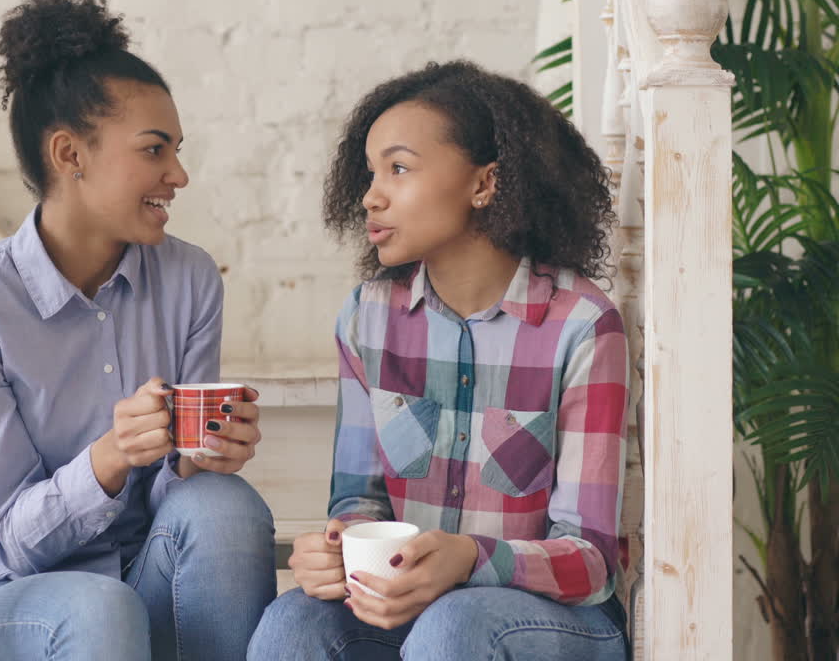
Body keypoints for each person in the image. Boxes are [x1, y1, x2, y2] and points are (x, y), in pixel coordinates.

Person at [0, 0, 275, 661]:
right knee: (100, 608)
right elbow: (7, 538)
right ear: (70, 155)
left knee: (226, 507)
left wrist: (201, 458)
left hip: (139, 574)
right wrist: (111, 456)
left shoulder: (190, 279)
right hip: (7, 597)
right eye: (154, 151)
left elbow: (183, 502)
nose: (178, 174)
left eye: (176, 151)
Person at [248, 60, 630, 660]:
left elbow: (592, 561)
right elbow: (359, 503)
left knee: (454, 625)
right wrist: (336, 547)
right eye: (371, 171)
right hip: (414, 613)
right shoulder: (368, 318)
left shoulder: (582, 327)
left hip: (552, 623)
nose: (371, 195)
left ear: (484, 184)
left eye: (398, 168)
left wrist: (469, 560)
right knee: (293, 621)